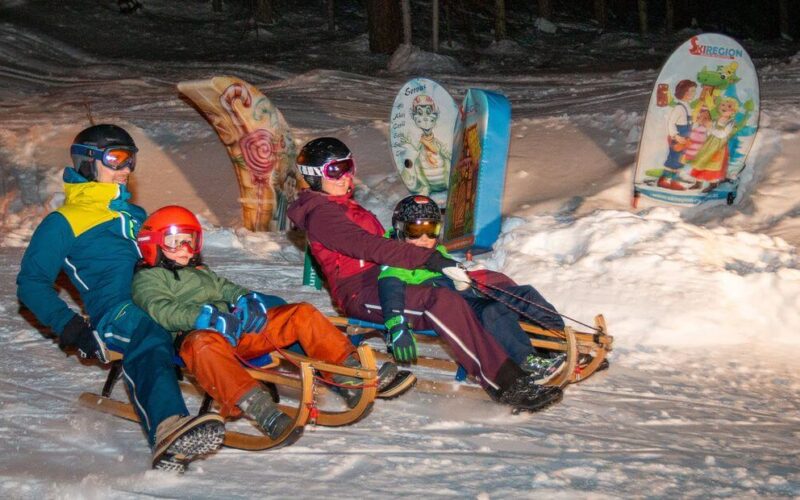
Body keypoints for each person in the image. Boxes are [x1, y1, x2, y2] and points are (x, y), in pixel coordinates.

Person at [287, 137, 563, 412]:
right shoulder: (321, 214)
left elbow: (385, 244)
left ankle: (536, 347)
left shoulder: (345, 205)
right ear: (313, 176)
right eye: (335, 170)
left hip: (392, 276)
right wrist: (427, 259)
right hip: (362, 292)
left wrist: (436, 261)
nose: (346, 176)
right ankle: (507, 383)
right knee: (442, 302)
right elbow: (366, 246)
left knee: (482, 282)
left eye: (349, 166)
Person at [16, 124, 224, 473]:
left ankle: (293, 371)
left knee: (227, 313)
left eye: (131, 160)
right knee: (149, 333)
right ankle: (168, 426)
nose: (126, 168)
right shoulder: (63, 222)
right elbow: (31, 283)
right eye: (116, 159)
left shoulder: (136, 215)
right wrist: (72, 328)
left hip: (162, 299)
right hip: (117, 312)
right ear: (88, 162)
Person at [131, 205, 410, 436]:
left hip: (237, 333)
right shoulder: (148, 279)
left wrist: (245, 299)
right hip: (200, 341)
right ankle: (261, 409)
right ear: (152, 244)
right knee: (202, 344)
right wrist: (205, 318)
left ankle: (349, 374)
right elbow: (161, 310)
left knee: (300, 313)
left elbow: (228, 288)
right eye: (174, 241)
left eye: (189, 240)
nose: (184, 248)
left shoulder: (200, 271)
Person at [377, 195, 567, 384]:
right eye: (416, 230)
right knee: (492, 312)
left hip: (465, 292)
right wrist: (396, 325)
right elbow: (390, 290)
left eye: (431, 230)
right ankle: (527, 361)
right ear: (400, 229)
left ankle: (559, 342)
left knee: (524, 295)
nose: (424, 239)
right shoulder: (394, 257)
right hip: (448, 305)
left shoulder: (434, 250)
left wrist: (461, 276)